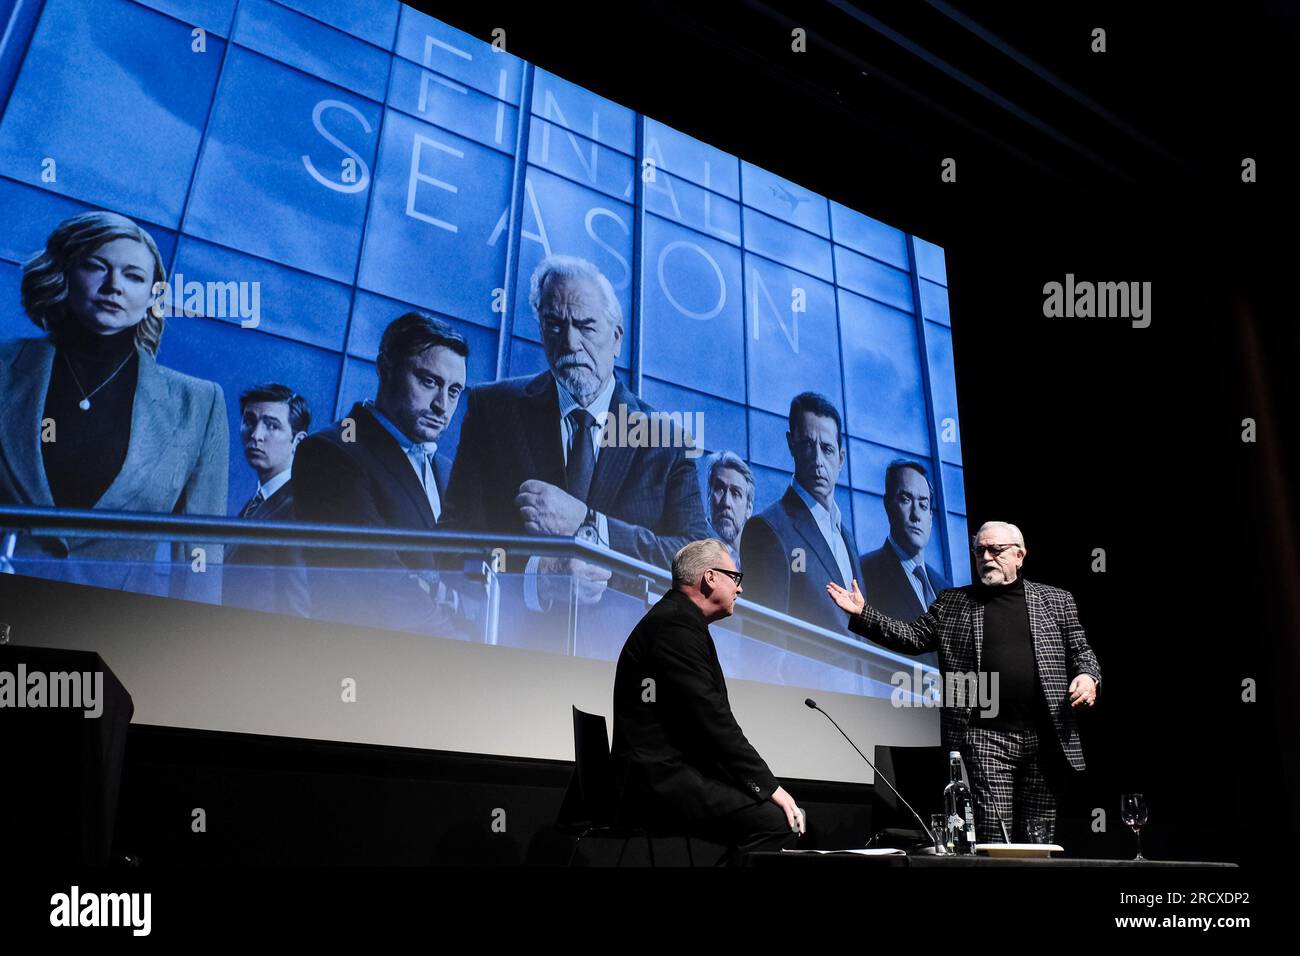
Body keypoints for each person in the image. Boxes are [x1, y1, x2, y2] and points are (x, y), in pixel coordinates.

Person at [442, 255, 711, 598]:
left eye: (585, 326)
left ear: (616, 339)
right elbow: (451, 543)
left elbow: (700, 567)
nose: (569, 343)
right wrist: (537, 575)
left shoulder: (668, 440)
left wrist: (590, 525)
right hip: (513, 640)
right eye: (554, 324)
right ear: (540, 329)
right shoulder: (492, 411)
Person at [828, 521, 1102, 843]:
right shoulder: (954, 602)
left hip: (1045, 738)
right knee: (994, 835)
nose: (986, 557)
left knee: (1038, 839)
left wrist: (1088, 677)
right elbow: (913, 637)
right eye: (980, 551)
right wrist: (864, 614)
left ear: (1019, 555)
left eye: (996, 550)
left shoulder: (1056, 601)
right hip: (985, 735)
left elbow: (1082, 651)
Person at [0, 210, 227, 598]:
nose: (114, 286)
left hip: (112, 632)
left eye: (134, 276)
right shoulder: (6, 368)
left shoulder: (199, 404)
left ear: (152, 296)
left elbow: (200, 556)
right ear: (64, 274)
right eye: (96, 267)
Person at [611, 538, 805, 864]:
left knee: (776, 816)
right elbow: (712, 721)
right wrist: (770, 789)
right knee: (777, 822)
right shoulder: (675, 626)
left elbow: (701, 723)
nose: (740, 589)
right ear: (710, 577)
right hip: (656, 783)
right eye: (735, 578)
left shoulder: (680, 620)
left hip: (666, 775)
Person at [292, 312, 470, 632]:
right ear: (385, 369)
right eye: (429, 382)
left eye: (454, 391)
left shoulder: (447, 470)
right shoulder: (330, 453)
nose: (442, 405)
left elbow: (473, 583)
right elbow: (379, 588)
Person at [740, 392, 856, 634]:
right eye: (807, 445)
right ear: (791, 444)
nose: (818, 460)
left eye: (827, 449)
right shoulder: (768, 529)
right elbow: (764, 642)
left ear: (841, 458)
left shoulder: (847, 540)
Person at [223, 383, 310, 615]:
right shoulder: (256, 502)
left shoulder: (298, 510)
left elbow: (297, 607)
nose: (255, 435)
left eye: (271, 426)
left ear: (298, 442)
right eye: (250, 421)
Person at [858, 459, 951, 621]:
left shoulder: (946, 590)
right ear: (887, 505)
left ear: (930, 516)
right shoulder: (862, 572)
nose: (916, 515)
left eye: (923, 505)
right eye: (906, 500)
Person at [706, 451, 754, 569]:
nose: (726, 502)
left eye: (736, 493)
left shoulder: (757, 562)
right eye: (719, 489)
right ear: (708, 496)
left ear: (748, 508)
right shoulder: (688, 547)